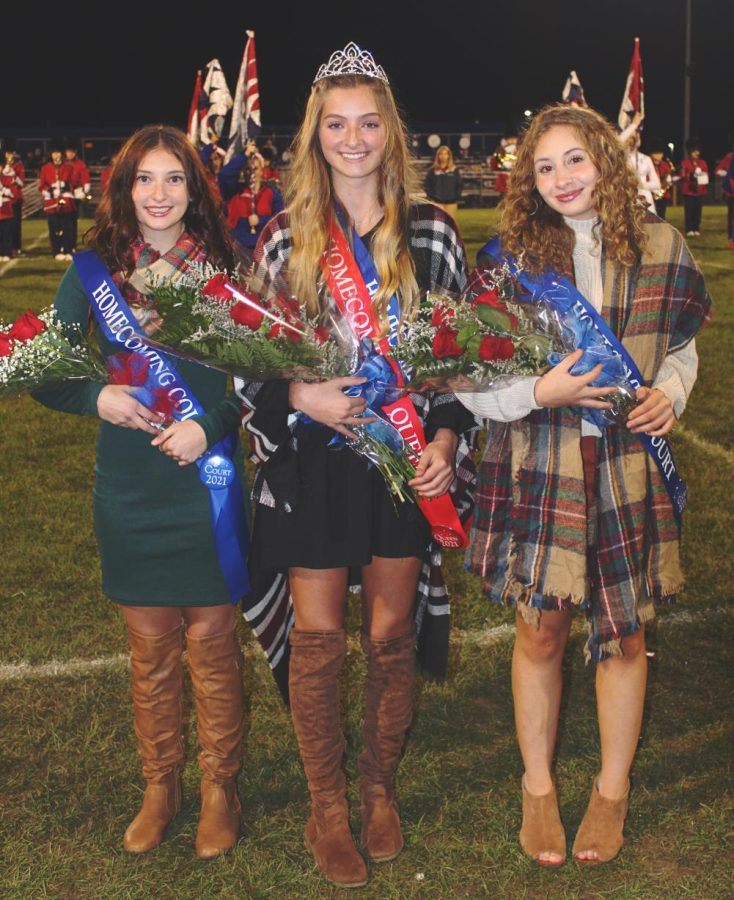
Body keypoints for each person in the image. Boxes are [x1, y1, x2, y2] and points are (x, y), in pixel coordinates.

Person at [235, 42, 477, 888]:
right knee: (320, 637)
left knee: (385, 636)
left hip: (401, 465)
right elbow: (244, 362)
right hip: (311, 466)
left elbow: (459, 365)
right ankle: (325, 805)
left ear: (392, 132)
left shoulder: (435, 232)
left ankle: (376, 785)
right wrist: (300, 401)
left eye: (369, 122)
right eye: (336, 124)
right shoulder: (278, 238)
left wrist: (444, 442)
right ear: (314, 134)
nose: (353, 139)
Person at [456, 104, 710, 867]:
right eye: (545, 167)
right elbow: (467, 380)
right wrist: (540, 393)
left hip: (627, 471)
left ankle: (611, 788)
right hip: (540, 464)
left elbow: (684, 343)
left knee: (626, 631)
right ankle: (538, 788)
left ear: (604, 160)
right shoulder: (506, 262)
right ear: (527, 182)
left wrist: (671, 390)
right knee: (540, 629)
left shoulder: (664, 245)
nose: (563, 178)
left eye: (576, 160)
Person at [33, 124, 250, 861]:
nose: (158, 195)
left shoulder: (228, 267)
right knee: (150, 649)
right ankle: (162, 783)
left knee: (214, 646)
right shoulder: (91, 272)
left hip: (208, 482)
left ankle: (221, 785)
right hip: (130, 488)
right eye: (143, 180)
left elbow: (267, 378)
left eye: (174, 180)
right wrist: (97, 396)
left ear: (195, 190)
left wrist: (210, 426)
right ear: (124, 190)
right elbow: (42, 367)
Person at [224, 150, 284, 266]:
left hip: (265, 255)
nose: (251, 173)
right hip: (239, 255)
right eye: (248, 169)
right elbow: (224, 175)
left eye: (255, 169)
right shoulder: (235, 194)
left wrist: (261, 221)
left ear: (262, 171)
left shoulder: (271, 194)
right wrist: (244, 155)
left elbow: (282, 223)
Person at [38, 147, 76, 259]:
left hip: (65, 201)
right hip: (52, 202)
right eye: (54, 153)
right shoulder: (45, 168)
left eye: (58, 152)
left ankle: (68, 250)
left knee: (67, 227)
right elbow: (42, 185)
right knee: (54, 227)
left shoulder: (68, 167)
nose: (56, 155)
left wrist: (65, 186)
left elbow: (73, 182)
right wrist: (50, 190)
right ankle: (56, 251)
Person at [423, 144, 463, 219]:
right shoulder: (433, 171)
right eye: (441, 154)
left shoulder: (454, 170)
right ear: (438, 156)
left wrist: (455, 197)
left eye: (445, 154)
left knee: (450, 224)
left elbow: (459, 185)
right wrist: (433, 197)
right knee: (439, 225)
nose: (443, 156)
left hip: (451, 203)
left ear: (449, 156)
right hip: (437, 203)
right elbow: (427, 186)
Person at [64, 144, 92, 251]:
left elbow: (85, 178)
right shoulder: (63, 164)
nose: (70, 154)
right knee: (62, 222)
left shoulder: (80, 164)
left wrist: (85, 191)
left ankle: (71, 243)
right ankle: (64, 244)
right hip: (64, 194)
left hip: (75, 195)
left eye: (72, 152)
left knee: (71, 221)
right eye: (68, 151)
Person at [679, 138, 709, 236]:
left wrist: (702, 176)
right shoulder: (685, 163)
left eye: (698, 151)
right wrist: (692, 174)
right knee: (689, 211)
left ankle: (696, 228)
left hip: (700, 191)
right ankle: (689, 229)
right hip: (689, 191)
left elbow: (706, 175)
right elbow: (683, 175)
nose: (697, 153)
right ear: (690, 151)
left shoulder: (703, 163)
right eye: (694, 151)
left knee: (697, 211)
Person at [2, 146, 25, 256]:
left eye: (11, 153)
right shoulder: (2, 166)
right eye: (8, 153)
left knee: (16, 224)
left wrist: (14, 175)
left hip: (15, 199)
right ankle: (6, 247)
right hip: (4, 200)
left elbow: (21, 183)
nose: (9, 156)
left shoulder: (18, 166)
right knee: (5, 226)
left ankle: (16, 246)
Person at [647, 137, 676, 220]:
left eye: (660, 154)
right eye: (655, 154)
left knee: (661, 216)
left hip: (663, 195)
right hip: (651, 195)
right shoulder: (647, 163)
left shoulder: (665, 165)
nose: (658, 156)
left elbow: (669, 179)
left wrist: (668, 181)